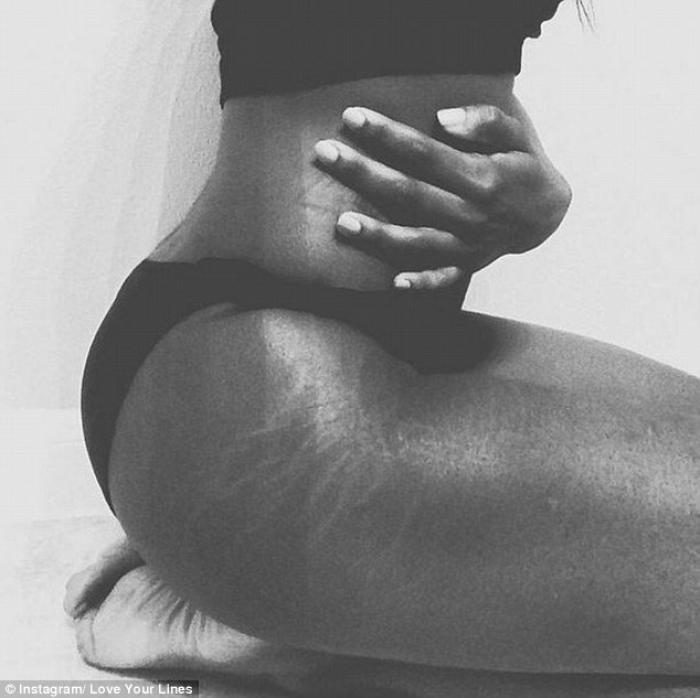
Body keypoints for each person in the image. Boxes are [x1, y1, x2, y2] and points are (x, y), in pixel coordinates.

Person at [64, 0, 700, 694]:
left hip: (363, 360)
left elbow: (414, 44)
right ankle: (262, 590)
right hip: (263, 376)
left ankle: (289, 622)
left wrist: (536, 184)